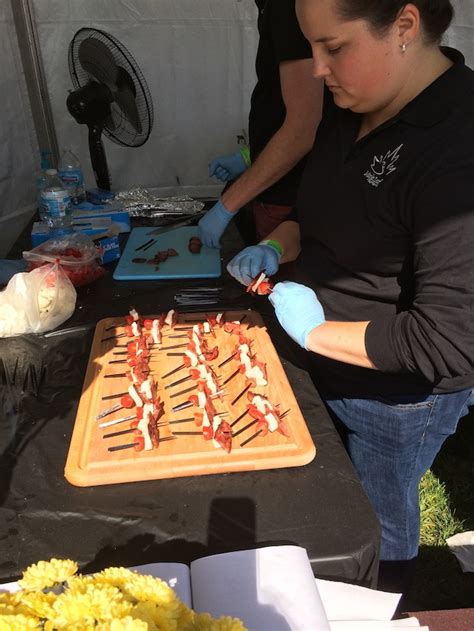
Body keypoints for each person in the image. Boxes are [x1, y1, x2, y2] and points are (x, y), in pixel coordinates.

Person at [227, 0, 474, 597]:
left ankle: (383, 601)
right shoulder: (355, 106)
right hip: (323, 365)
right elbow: (316, 219)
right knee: (320, 503)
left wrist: (313, 332)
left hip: (392, 395)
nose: (317, 68)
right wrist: (276, 243)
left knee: (375, 522)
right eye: (312, 47)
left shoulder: (457, 145)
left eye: (333, 48)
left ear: (405, 27)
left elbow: (450, 343)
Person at [198, 0, 324, 248]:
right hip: (283, 188)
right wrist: (249, 156)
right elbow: (286, 106)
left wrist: (227, 205)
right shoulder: (272, 6)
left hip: (290, 197)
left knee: (273, 283)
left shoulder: (287, 7)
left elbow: (305, 127)